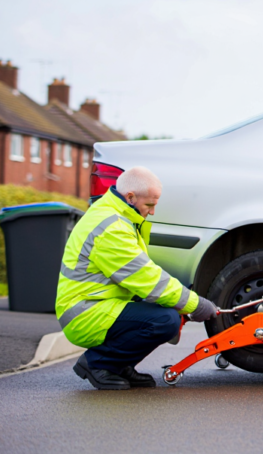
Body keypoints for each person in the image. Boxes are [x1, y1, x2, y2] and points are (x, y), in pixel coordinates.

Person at [56, 166, 217, 390]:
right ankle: (98, 364)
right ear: (130, 197)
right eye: (150, 204)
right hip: (86, 312)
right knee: (164, 321)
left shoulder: (117, 216)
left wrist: (182, 301)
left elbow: (144, 277)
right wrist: (195, 304)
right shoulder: (111, 227)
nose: (152, 211)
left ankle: (120, 364)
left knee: (167, 310)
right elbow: (148, 279)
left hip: (100, 303)